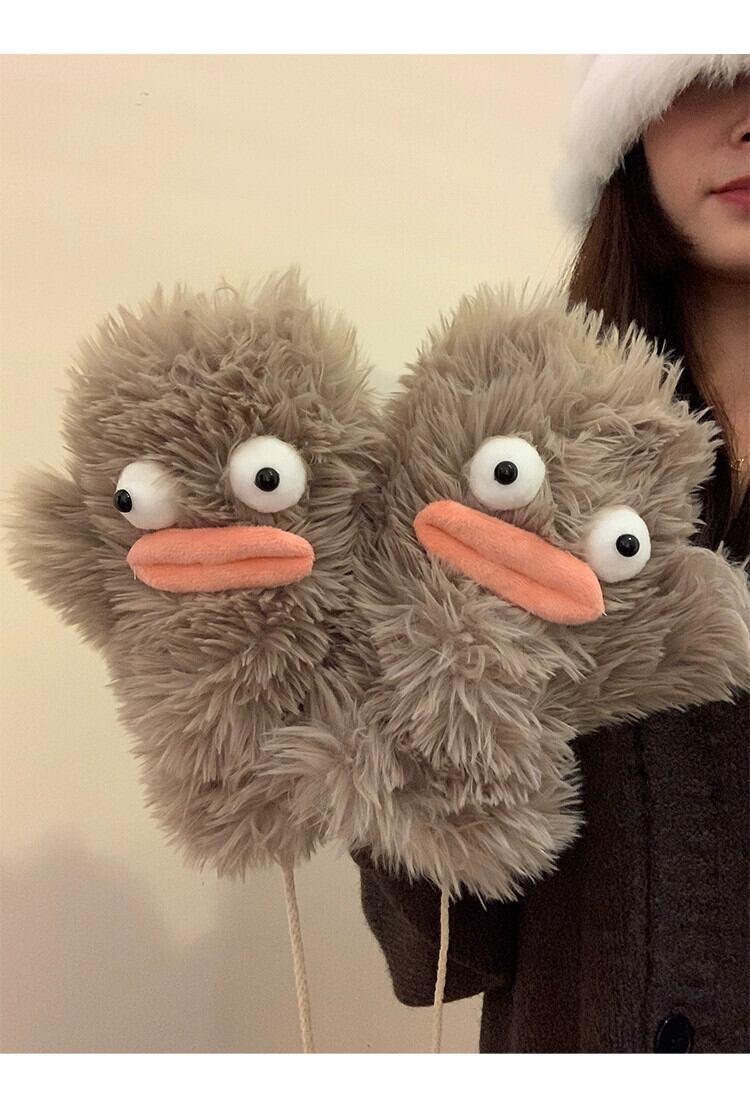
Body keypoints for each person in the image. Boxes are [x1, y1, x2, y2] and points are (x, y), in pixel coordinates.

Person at [353, 54, 750, 1053]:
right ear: (629, 119)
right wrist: (395, 691)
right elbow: (449, 944)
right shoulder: (508, 457)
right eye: (715, 69)